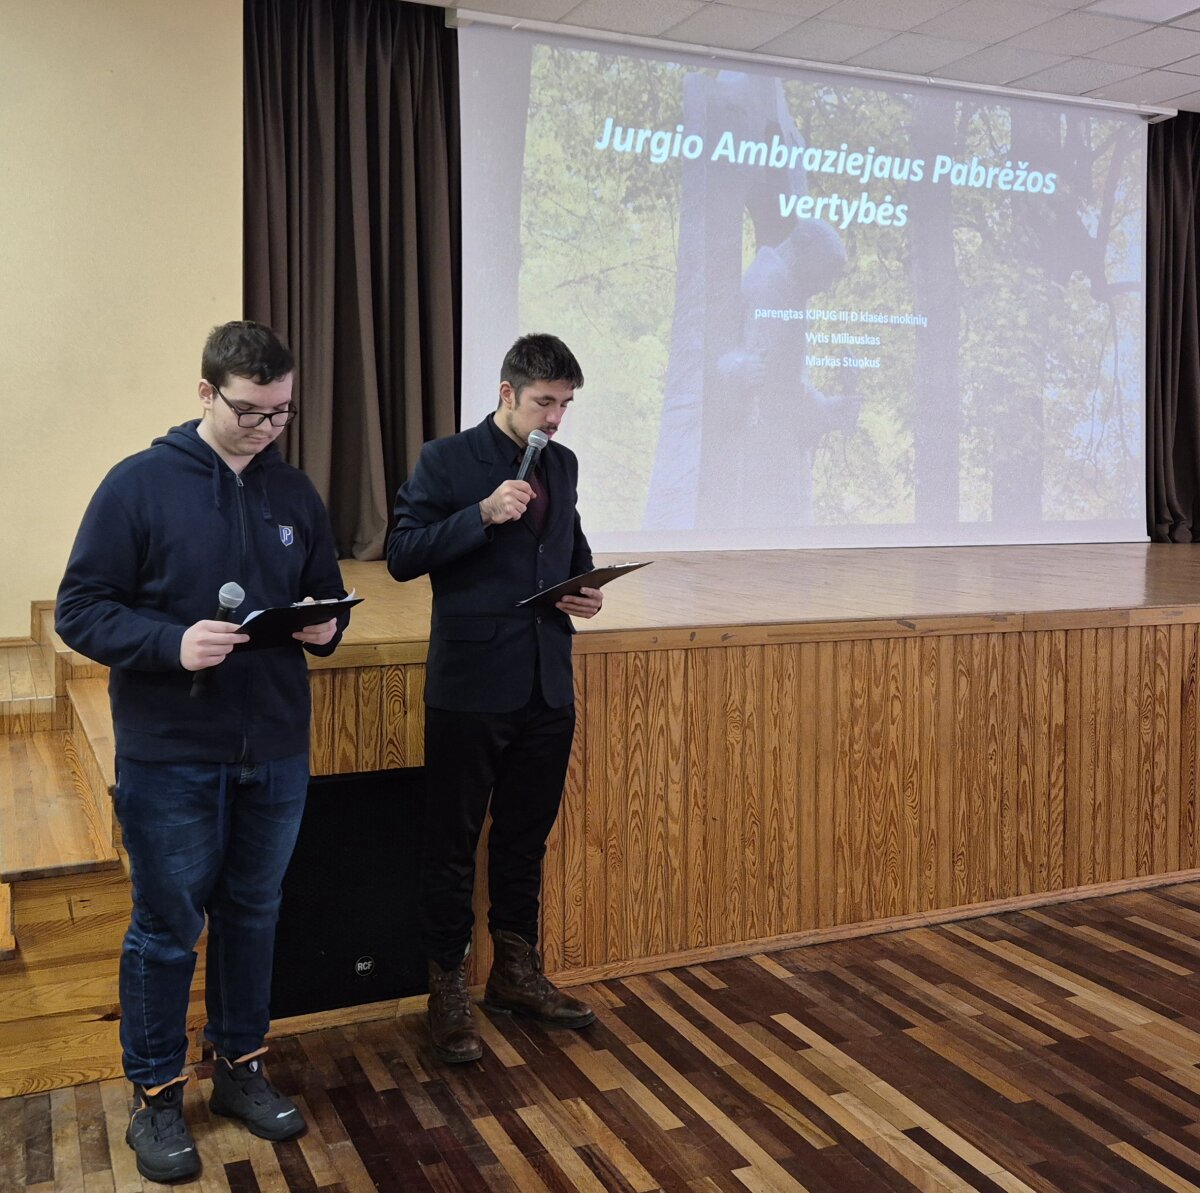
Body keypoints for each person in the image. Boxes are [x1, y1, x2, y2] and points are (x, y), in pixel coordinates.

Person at [55, 321, 347, 1184]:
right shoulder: (138, 485)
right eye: (250, 411)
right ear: (205, 393)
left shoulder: (294, 491)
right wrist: (170, 643)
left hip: (275, 744)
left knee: (254, 913)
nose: (266, 428)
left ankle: (240, 1068)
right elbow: (80, 609)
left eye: (281, 412)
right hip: (171, 751)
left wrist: (327, 626)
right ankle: (155, 1096)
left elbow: (325, 593)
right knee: (167, 927)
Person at [388, 333, 602, 1064]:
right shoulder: (447, 460)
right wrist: (480, 513)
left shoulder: (563, 464)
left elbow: (568, 549)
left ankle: (515, 973)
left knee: (523, 838)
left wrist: (585, 588)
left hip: (547, 682)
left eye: (565, 404)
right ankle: (446, 990)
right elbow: (402, 554)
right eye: (545, 402)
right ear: (507, 393)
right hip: (473, 684)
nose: (556, 418)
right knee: (451, 844)